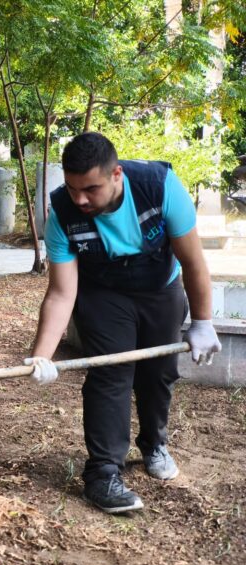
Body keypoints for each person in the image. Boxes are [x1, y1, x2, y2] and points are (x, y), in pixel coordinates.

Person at [26, 132, 221, 514]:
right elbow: (61, 293)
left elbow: (195, 263)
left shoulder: (160, 187)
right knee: (110, 372)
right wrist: (41, 356)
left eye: (90, 189)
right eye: (72, 188)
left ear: (116, 174)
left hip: (160, 288)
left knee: (159, 372)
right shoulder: (63, 211)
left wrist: (202, 321)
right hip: (103, 295)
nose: (80, 199)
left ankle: (154, 444)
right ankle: (102, 473)